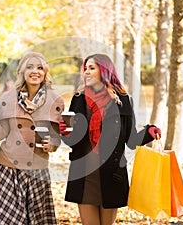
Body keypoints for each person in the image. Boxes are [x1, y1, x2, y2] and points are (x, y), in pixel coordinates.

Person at [59, 53, 161, 225]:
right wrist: (66, 132)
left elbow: (130, 139)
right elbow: (72, 141)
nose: (87, 72)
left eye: (92, 68)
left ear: (104, 71)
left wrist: (149, 131)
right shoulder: (79, 99)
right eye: (85, 69)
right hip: (84, 173)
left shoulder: (123, 101)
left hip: (111, 173)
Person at [0, 52, 64, 225]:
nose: (35, 71)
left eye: (39, 68)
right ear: (21, 71)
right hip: (7, 170)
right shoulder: (9, 98)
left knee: (35, 221)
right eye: (30, 67)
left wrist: (52, 144)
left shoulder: (55, 100)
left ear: (45, 72)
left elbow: (56, 137)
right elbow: (0, 134)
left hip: (37, 172)